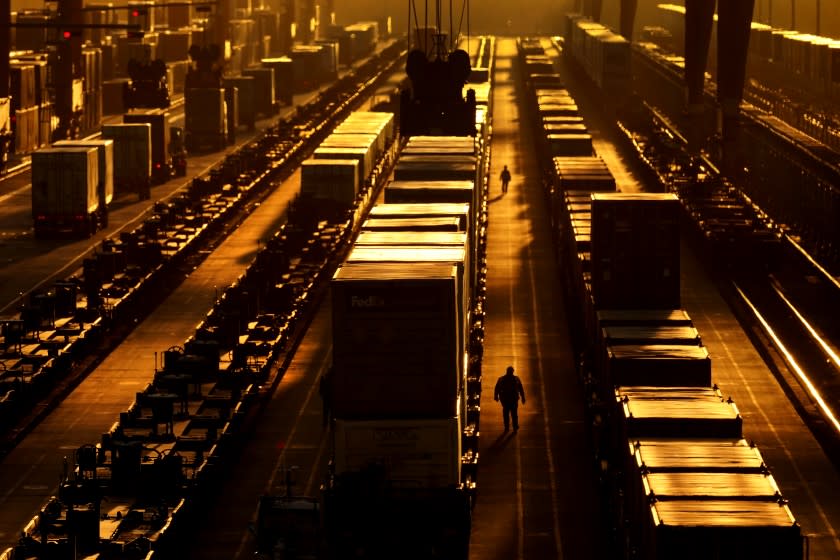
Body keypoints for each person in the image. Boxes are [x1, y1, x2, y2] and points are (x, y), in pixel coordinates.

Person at [494, 365, 525, 432]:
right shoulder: (516, 379)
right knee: (514, 414)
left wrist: (496, 396)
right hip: (512, 400)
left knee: (506, 414)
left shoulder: (501, 379)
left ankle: (507, 427)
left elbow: (497, 388)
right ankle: (514, 426)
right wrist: (523, 397)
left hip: (506, 400)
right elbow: (521, 389)